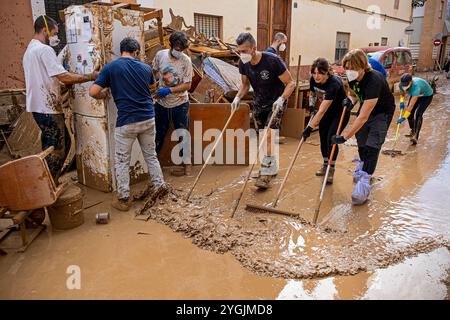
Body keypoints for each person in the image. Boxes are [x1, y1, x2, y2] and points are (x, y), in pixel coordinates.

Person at [89, 37, 167, 212]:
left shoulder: (111, 68)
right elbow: (152, 88)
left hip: (126, 122)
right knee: (151, 155)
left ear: (121, 51)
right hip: (148, 117)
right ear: (136, 52)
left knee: (122, 161)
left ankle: (124, 199)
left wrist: (106, 94)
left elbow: (93, 92)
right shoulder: (146, 68)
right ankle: (160, 188)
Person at [23, 15, 98, 181]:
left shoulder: (30, 50)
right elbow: (63, 76)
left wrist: (64, 84)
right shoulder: (44, 50)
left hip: (38, 107)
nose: (56, 37)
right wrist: (90, 76)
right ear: (45, 30)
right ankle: (46, 186)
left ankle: (46, 181)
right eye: (55, 33)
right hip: (47, 107)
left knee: (52, 147)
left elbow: (46, 78)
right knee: (57, 150)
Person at [331, 49, 395, 205]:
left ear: (362, 66)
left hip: (381, 113)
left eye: (352, 68)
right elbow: (354, 93)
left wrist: (344, 137)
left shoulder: (374, 80)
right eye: (347, 68)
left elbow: (363, 117)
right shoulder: (353, 77)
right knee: (361, 141)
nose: (349, 72)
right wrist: (350, 101)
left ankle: (365, 182)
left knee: (372, 145)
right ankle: (363, 163)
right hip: (367, 109)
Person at [232, 32, 295, 189]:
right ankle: (271, 166)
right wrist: (238, 98)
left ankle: (266, 173)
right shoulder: (243, 63)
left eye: (245, 51)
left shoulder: (272, 61)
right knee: (262, 137)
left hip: (276, 102)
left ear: (254, 48)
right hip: (259, 103)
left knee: (268, 135)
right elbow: (245, 85)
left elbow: (291, 83)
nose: (242, 54)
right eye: (239, 51)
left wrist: (282, 99)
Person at [302, 58, 353, 184]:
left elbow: (322, 110)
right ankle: (325, 165)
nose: (316, 76)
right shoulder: (313, 80)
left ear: (327, 73)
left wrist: (309, 128)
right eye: (314, 73)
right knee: (323, 138)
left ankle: (331, 168)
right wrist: (311, 106)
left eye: (320, 73)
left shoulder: (333, 84)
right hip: (325, 113)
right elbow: (313, 93)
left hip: (339, 113)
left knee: (331, 138)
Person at [152, 31, 193, 176]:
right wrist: (154, 86)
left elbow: (188, 85)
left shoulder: (186, 61)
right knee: (158, 134)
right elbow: (154, 72)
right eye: (177, 48)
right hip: (161, 103)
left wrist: (170, 89)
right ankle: (154, 167)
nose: (179, 51)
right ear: (171, 45)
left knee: (183, 133)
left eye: (182, 49)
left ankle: (187, 164)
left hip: (180, 102)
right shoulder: (160, 55)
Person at [397, 73, 434, 145]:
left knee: (418, 114)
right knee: (410, 115)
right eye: (403, 84)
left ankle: (416, 136)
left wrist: (404, 117)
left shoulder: (416, 87)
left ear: (410, 82)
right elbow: (402, 93)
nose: (404, 86)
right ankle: (412, 130)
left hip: (426, 96)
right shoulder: (401, 84)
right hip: (415, 95)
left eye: (406, 84)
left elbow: (411, 106)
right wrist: (401, 102)